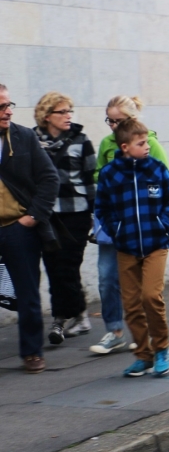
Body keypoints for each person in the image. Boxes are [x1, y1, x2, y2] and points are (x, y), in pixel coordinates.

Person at [95, 117, 169, 377]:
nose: (147, 146)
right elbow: (102, 208)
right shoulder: (111, 174)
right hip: (126, 247)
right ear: (125, 147)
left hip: (156, 244)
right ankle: (143, 356)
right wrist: (117, 230)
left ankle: (162, 348)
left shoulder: (156, 168)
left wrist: (163, 223)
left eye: (146, 142)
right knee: (131, 304)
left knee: (150, 297)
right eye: (141, 143)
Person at [91, 96, 168, 355]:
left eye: (118, 121)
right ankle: (114, 331)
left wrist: (160, 222)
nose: (112, 126)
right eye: (109, 121)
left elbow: (165, 182)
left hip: (145, 229)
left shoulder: (151, 145)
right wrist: (109, 175)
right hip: (115, 226)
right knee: (106, 278)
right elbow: (97, 174)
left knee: (144, 291)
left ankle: (146, 337)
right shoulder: (106, 144)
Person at [0, 84, 61, 373]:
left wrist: (33, 217)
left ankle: (32, 352)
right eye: (1, 107)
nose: (8, 110)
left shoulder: (23, 137)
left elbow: (50, 179)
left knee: (27, 293)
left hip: (18, 228)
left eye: (9, 104)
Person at [34, 92, 96, 345]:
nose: (68, 115)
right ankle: (80, 314)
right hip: (46, 214)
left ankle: (59, 319)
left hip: (76, 214)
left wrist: (95, 215)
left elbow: (90, 179)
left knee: (67, 266)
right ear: (47, 116)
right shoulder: (31, 140)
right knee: (53, 266)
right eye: (62, 111)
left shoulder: (82, 141)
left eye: (70, 110)